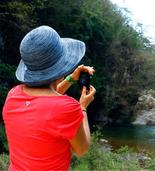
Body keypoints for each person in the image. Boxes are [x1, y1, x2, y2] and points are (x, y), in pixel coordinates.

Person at [2, 25, 96, 171]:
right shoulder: (68, 107)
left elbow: (44, 102)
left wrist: (71, 79)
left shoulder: (13, 95)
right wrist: (82, 107)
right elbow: (82, 148)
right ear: (60, 67)